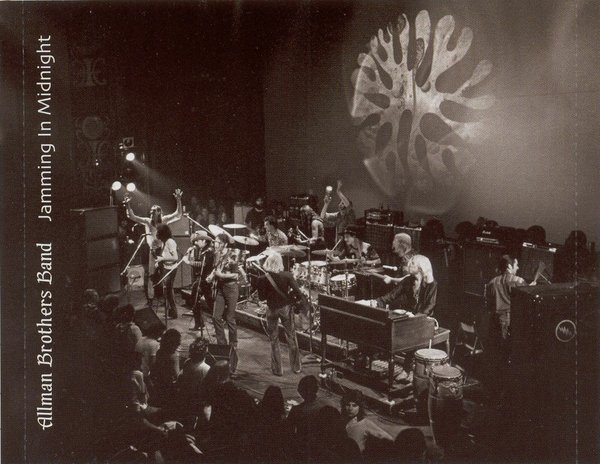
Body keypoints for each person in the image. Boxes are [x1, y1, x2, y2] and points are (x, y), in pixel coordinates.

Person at [124, 188, 183, 304]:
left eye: (153, 212)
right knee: (151, 275)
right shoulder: (147, 221)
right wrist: (128, 205)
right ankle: (150, 299)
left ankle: (167, 300)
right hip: (153, 252)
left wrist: (178, 200)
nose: (151, 213)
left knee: (165, 276)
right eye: (151, 212)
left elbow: (178, 215)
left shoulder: (164, 220)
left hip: (164, 251)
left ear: (159, 213)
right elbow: (132, 217)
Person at [255, 252, 302, 376]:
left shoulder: (262, 278)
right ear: (280, 262)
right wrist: (291, 297)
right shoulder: (287, 275)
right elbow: (299, 293)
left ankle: (277, 370)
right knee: (291, 337)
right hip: (285, 308)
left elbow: (261, 298)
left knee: (274, 339)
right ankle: (296, 367)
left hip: (271, 309)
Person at [208, 233, 247, 373]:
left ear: (224, 243)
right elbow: (216, 269)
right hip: (220, 288)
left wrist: (221, 275)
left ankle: (233, 345)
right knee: (215, 316)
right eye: (215, 242)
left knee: (230, 318)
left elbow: (236, 275)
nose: (215, 244)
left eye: (218, 242)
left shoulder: (232, 254)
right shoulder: (217, 254)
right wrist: (211, 275)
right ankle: (222, 345)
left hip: (231, 288)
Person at [186, 232, 215, 331]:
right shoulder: (201, 250)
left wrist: (189, 262)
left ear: (204, 241)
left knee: (209, 301)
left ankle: (218, 321)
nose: (196, 243)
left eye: (198, 241)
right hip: (201, 279)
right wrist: (190, 255)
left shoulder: (209, 251)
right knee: (195, 299)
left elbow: (203, 264)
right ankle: (199, 323)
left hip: (206, 280)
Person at [286, 375, 327, 441]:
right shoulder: (325, 409)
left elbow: (288, 432)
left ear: (301, 391)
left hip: (300, 443)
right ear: (316, 389)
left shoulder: (296, 410)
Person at [149, 328, 181, 406]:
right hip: (170, 388)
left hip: (159, 385)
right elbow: (177, 376)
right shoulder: (174, 356)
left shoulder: (159, 352)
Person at [155, 224, 179, 319]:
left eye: (158, 232)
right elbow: (165, 255)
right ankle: (170, 311)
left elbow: (175, 257)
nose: (156, 234)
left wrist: (162, 259)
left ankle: (173, 312)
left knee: (168, 290)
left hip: (171, 268)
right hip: (166, 267)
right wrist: (160, 262)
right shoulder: (164, 242)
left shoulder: (170, 242)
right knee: (166, 290)